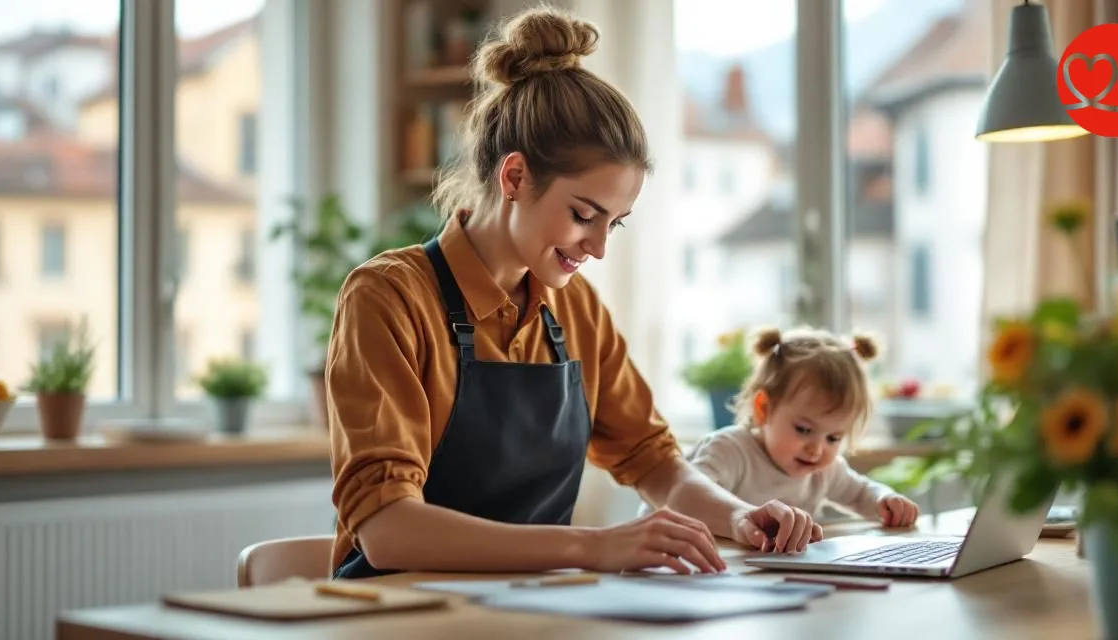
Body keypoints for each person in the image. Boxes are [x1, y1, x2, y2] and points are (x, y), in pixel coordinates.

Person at [325, 6, 820, 579]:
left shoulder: (575, 307)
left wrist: (738, 517)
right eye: (585, 215)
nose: (598, 247)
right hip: (399, 613)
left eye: (616, 223)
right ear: (514, 178)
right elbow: (389, 531)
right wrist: (591, 548)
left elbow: (653, 462)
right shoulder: (388, 298)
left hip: (531, 607)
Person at [642, 327, 920, 552]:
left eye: (834, 437)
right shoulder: (729, 451)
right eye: (803, 429)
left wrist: (885, 499)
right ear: (764, 408)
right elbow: (686, 499)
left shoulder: (824, 470)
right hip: (659, 564)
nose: (817, 448)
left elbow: (860, 492)